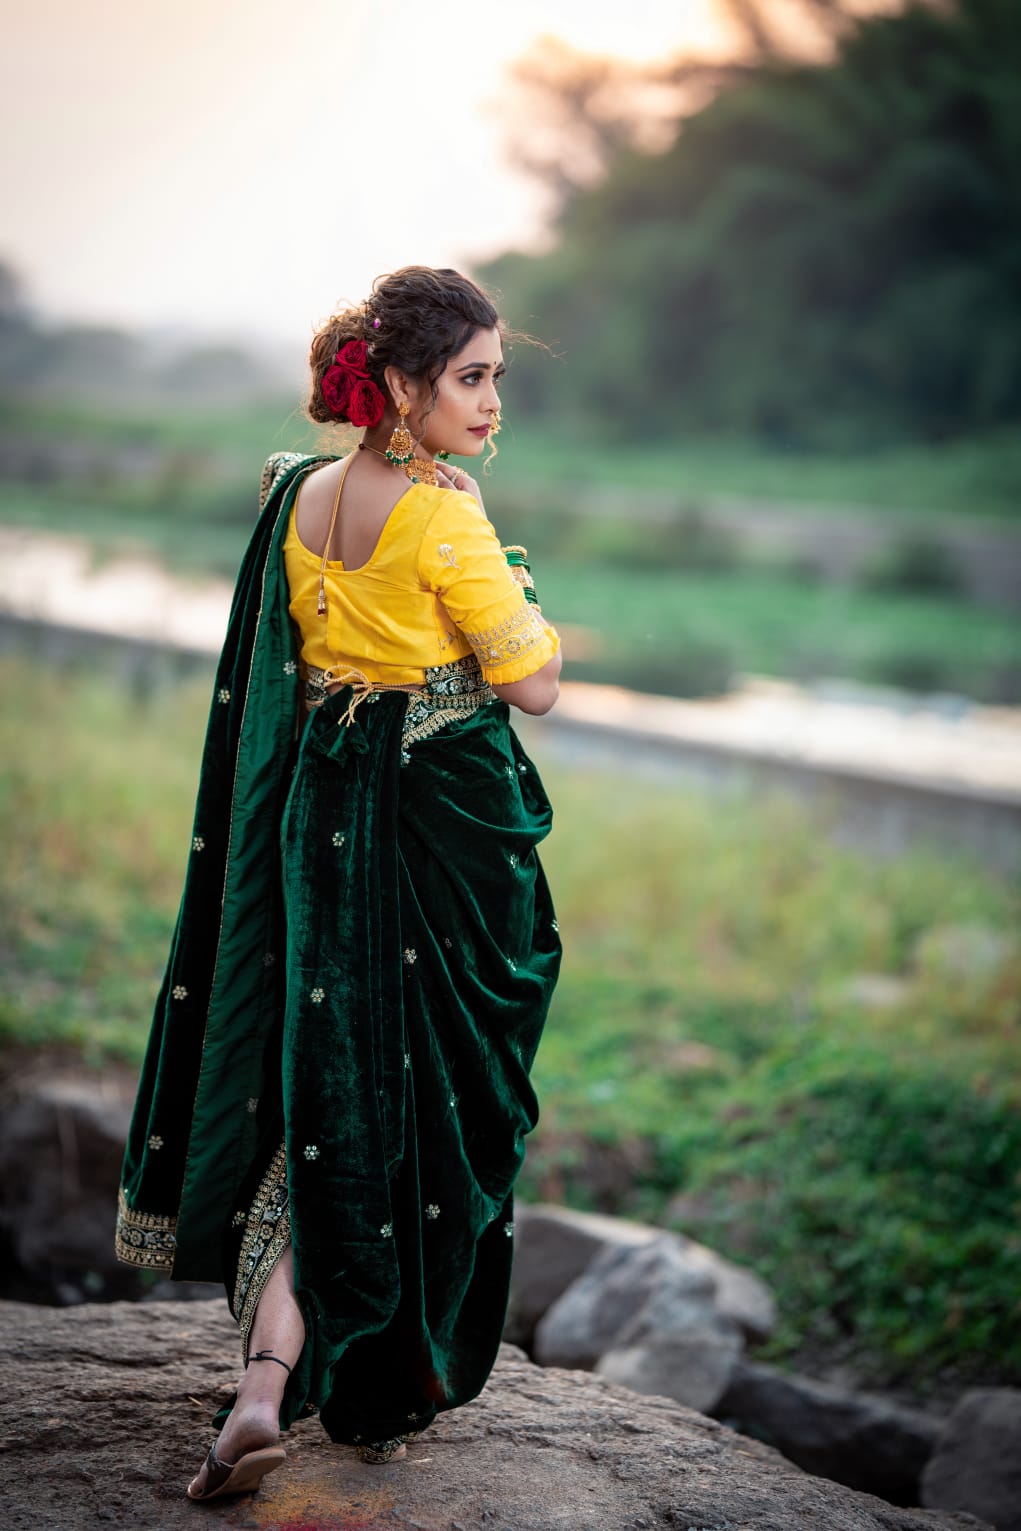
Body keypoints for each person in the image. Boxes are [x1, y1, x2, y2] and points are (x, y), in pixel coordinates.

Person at [114, 266, 563, 1500]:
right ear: (405, 386)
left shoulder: (298, 492)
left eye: (497, 380)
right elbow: (530, 682)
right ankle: (369, 1378)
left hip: (316, 824)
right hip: (427, 838)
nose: (490, 403)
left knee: (307, 1091)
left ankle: (262, 1384)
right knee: (411, 1099)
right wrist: (507, 570)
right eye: (470, 379)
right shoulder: (444, 519)